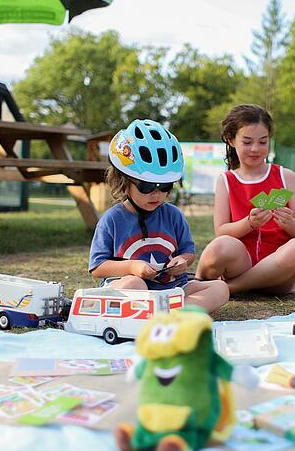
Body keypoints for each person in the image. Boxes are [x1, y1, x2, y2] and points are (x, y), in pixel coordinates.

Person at [88, 119, 229, 313]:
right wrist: (132, 267)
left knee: (220, 288)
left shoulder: (173, 215)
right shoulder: (112, 219)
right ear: (122, 180)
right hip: (129, 289)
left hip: (172, 289)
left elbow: (188, 253)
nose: (157, 194)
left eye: (165, 187)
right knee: (135, 285)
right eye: (146, 187)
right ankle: (161, 313)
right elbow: (98, 267)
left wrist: (182, 262)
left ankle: (172, 315)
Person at [196, 104, 295, 295]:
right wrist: (250, 223)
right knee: (219, 246)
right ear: (231, 140)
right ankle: (197, 283)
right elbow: (221, 231)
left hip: (278, 273)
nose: (256, 149)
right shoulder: (226, 180)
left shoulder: (286, 176)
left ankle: (230, 288)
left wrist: (290, 223)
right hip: (241, 263)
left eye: (263, 142)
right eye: (247, 142)